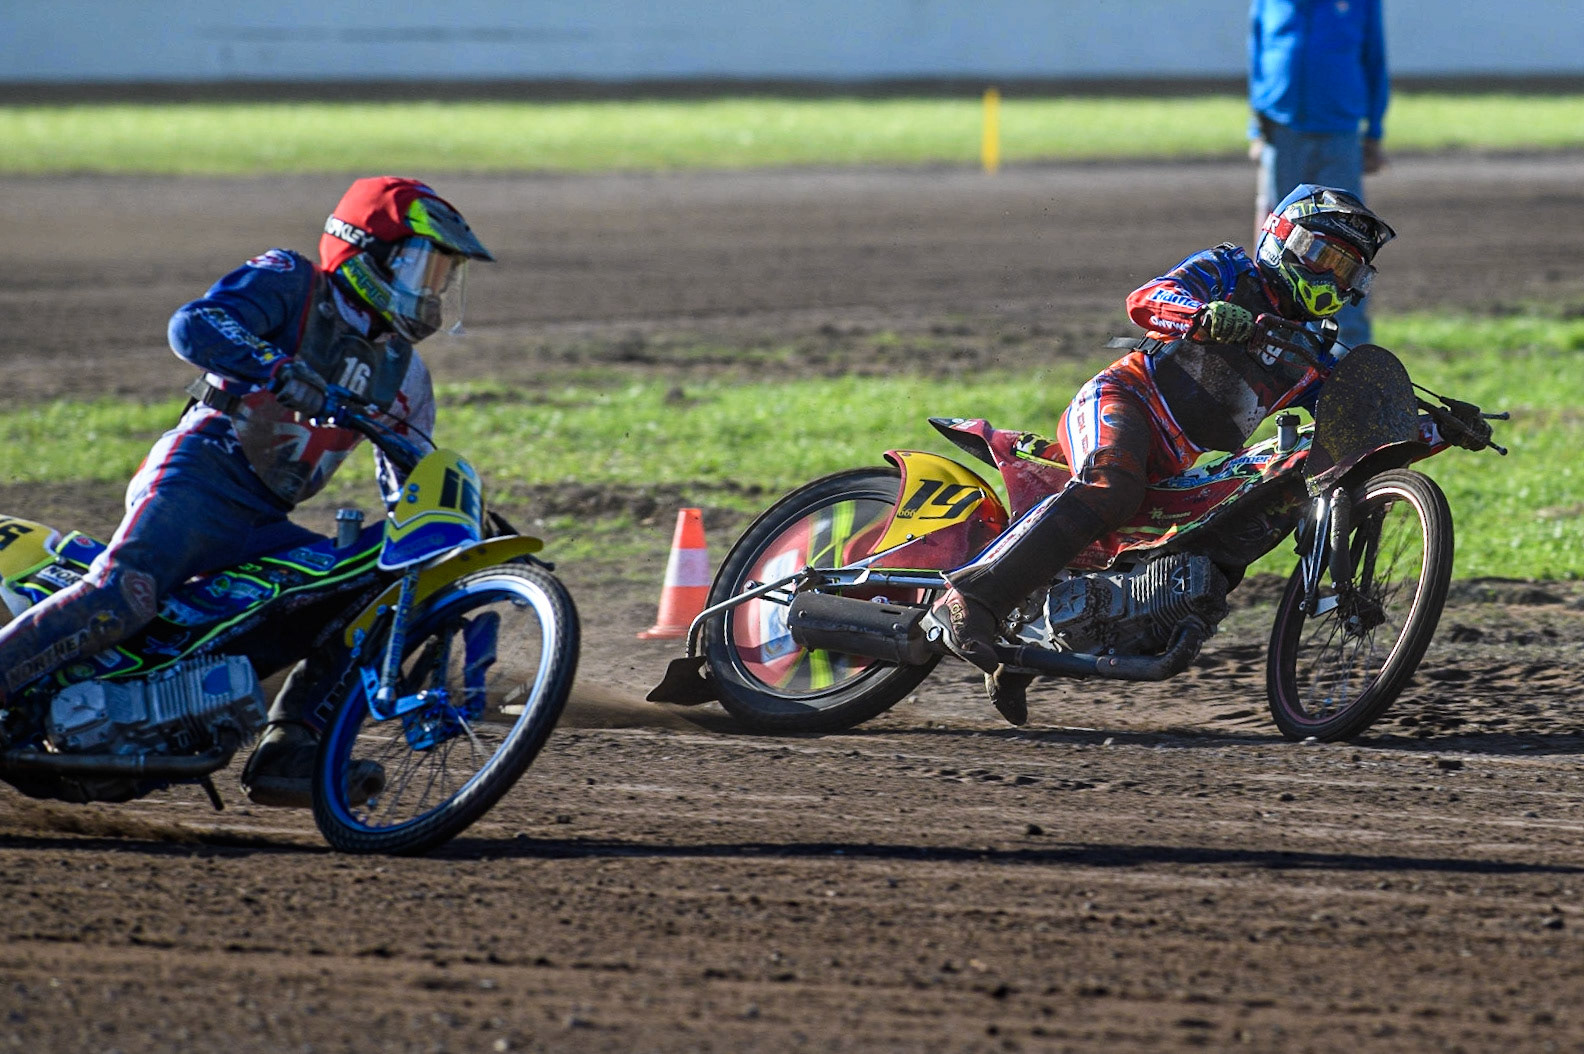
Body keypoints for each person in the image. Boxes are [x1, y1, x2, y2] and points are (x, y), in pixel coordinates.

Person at [0, 176, 493, 807]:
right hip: (198, 473)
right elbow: (195, 325)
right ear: (364, 251)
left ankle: (289, 749)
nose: (431, 291)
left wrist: (463, 525)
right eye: (421, 268)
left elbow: (408, 481)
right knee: (124, 594)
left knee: (366, 588)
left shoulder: (407, 376)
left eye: (441, 276)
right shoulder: (292, 281)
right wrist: (275, 368)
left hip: (265, 522)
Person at [922, 184, 1395, 726]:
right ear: (1282, 240)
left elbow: (1351, 406)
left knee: (1216, 543)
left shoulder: (1308, 355)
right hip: (1123, 398)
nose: (1333, 278)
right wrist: (1202, 316)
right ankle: (969, 598)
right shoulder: (1228, 268)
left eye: (1348, 271)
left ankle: (1028, 653)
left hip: (1174, 462)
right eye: (1323, 257)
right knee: (1112, 489)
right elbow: (1145, 300)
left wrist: (1436, 421)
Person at [1248, 0, 1389, 346]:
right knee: (1279, 241)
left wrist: (1373, 134)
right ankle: (1273, 340)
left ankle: (1347, 345)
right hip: (1282, 129)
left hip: (1340, 132)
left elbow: (1374, 61)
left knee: (1346, 242)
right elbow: (1258, 54)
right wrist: (1256, 127)